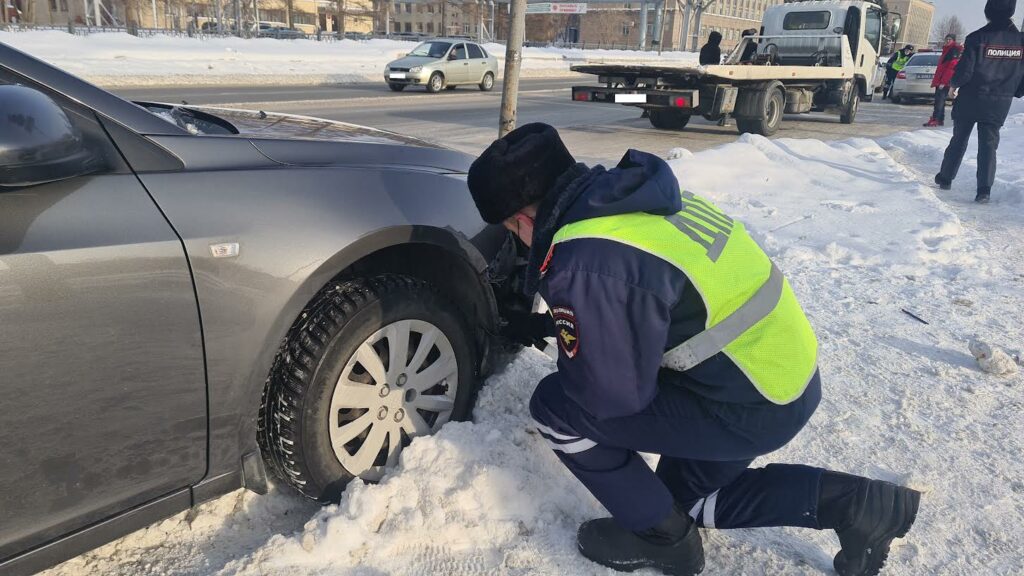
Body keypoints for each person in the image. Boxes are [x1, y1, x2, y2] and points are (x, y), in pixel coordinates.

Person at [469, 123, 921, 576]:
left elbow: (609, 397)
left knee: (556, 407)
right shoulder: (635, 198)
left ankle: (664, 542)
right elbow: (648, 303)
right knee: (682, 502)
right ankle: (860, 505)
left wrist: (569, 350)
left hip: (750, 400)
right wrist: (557, 325)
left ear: (522, 220)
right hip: (781, 371)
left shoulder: (586, 256)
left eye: (513, 230)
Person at [935, 0, 1024, 203]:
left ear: (988, 12)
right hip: (999, 102)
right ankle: (984, 190)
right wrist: (1014, 91)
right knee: (989, 144)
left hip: (971, 98)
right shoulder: (1020, 41)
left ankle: (946, 178)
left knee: (959, 139)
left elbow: (965, 72)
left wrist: (953, 84)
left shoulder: (977, 38)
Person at [925, 34, 963, 127]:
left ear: (953, 40)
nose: (948, 41)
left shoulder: (953, 50)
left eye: (950, 39)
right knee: (938, 101)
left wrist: (943, 82)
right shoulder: (946, 50)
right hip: (940, 80)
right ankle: (939, 119)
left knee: (939, 101)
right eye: (947, 39)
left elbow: (951, 68)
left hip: (944, 81)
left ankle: (936, 119)